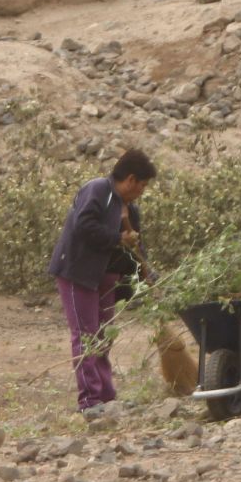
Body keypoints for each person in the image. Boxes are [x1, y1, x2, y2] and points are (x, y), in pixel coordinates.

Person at [47, 148, 157, 410]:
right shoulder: (97, 191)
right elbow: (83, 226)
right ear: (130, 179)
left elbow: (136, 248)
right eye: (141, 185)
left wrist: (147, 271)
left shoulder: (131, 210)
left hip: (106, 278)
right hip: (78, 272)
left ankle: (107, 395)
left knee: (104, 335)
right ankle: (90, 400)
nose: (142, 191)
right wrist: (117, 237)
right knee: (86, 336)